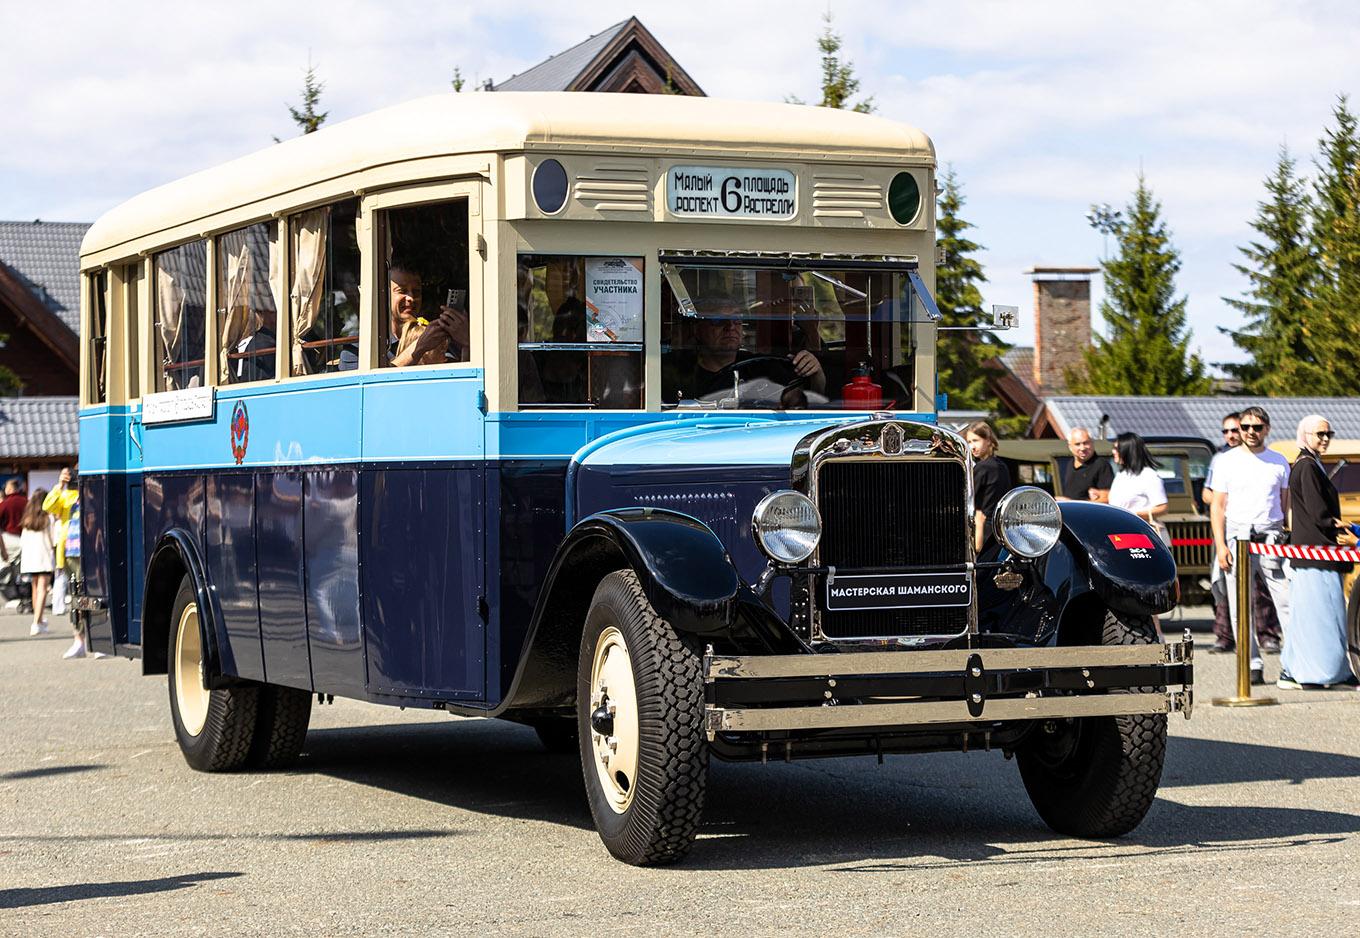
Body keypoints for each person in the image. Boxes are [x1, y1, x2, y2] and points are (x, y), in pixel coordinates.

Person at [1210, 405, 1292, 686]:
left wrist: (1288, 535)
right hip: (1238, 537)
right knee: (1239, 607)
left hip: (1272, 537)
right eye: (1245, 427)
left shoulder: (1279, 461)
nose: (1250, 432)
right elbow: (1218, 507)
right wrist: (1221, 546)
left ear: (1267, 429)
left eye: (1257, 427)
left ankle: (1293, 663)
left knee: (1287, 602)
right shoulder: (1225, 461)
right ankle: (1251, 664)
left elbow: (1285, 504)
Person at [1281, 415, 1358, 689]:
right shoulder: (1308, 466)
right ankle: (1322, 674)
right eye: (1320, 434)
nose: (1325, 439)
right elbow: (1318, 512)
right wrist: (1339, 525)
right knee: (1324, 615)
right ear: (1305, 435)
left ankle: (1294, 671)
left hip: (1310, 552)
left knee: (1309, 614)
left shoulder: (1308, 463)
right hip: (1317, 553)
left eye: (1329, 434)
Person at [662, 294, 825, 405]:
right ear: (697, 329)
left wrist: (815, 371)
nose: (730, 327)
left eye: (737, 320)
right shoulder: (677, 372)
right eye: (718, 320)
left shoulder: (761, 366)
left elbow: (808, 398)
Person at [385, 263, 470, 368]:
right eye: (402, 291)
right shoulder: (373, 346)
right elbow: (381, 377)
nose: (411, 298)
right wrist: (419, 347)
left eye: (416, 292)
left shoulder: (435, 336)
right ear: (385, 295)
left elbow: (458, 374)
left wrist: (466, 343)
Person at [1108, 432, 1169, 536]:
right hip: (1121, 532)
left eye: (1117, 448)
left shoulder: (1149, 476)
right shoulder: (1120, 475)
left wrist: (1133, 515)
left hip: (1143, 534)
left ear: (1128, 451)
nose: (1113, 451)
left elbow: (1163, 507)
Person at [966, 421, 1011, 554]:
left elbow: (966, 496)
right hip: (1001, 529)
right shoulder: (1002, 466)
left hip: (983, 529)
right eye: (969, 442)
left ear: (989, 441)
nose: (972, 446)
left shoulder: (982, 468)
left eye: (976, 440)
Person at [19, 488, 55, 636]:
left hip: (30, 558)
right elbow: (53, 539)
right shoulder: (48, 518)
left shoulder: (27, 519)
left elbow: (22, 541)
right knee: (42, 589)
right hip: (44, 556)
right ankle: (36, 622)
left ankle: (39, 619)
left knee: (35, 588)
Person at [1059, 427, 1113, 502]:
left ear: (1092, 443)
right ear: (1070, 447)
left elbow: (1107, 498)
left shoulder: (1101, 465)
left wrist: (1072, 503)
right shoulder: (1070, 464)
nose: (1082, 448)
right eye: (1077, 444)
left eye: (1086, 443)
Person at [0, 477, 26, 567]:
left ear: (10, 489)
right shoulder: (27, 502)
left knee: (5, 569)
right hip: (24, 538)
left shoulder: (4, 504)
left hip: (7, 539)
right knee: (20, 570)